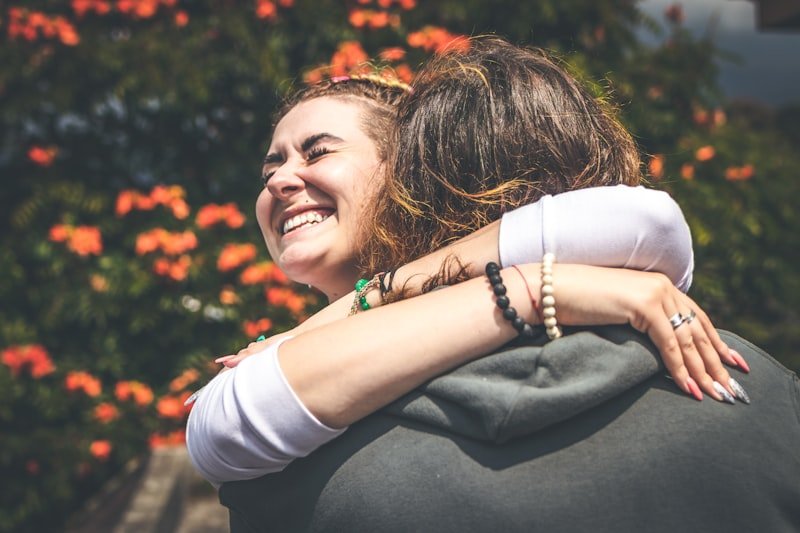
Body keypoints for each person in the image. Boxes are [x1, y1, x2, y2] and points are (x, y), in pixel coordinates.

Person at [185, 38, 780, 527]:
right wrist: (539, 286)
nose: (280, 180)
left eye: (317, 153)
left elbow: (644, 222)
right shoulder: (768, 396)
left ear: (406, 179)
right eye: (270, 166)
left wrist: (376, 297)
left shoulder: (305, 462)